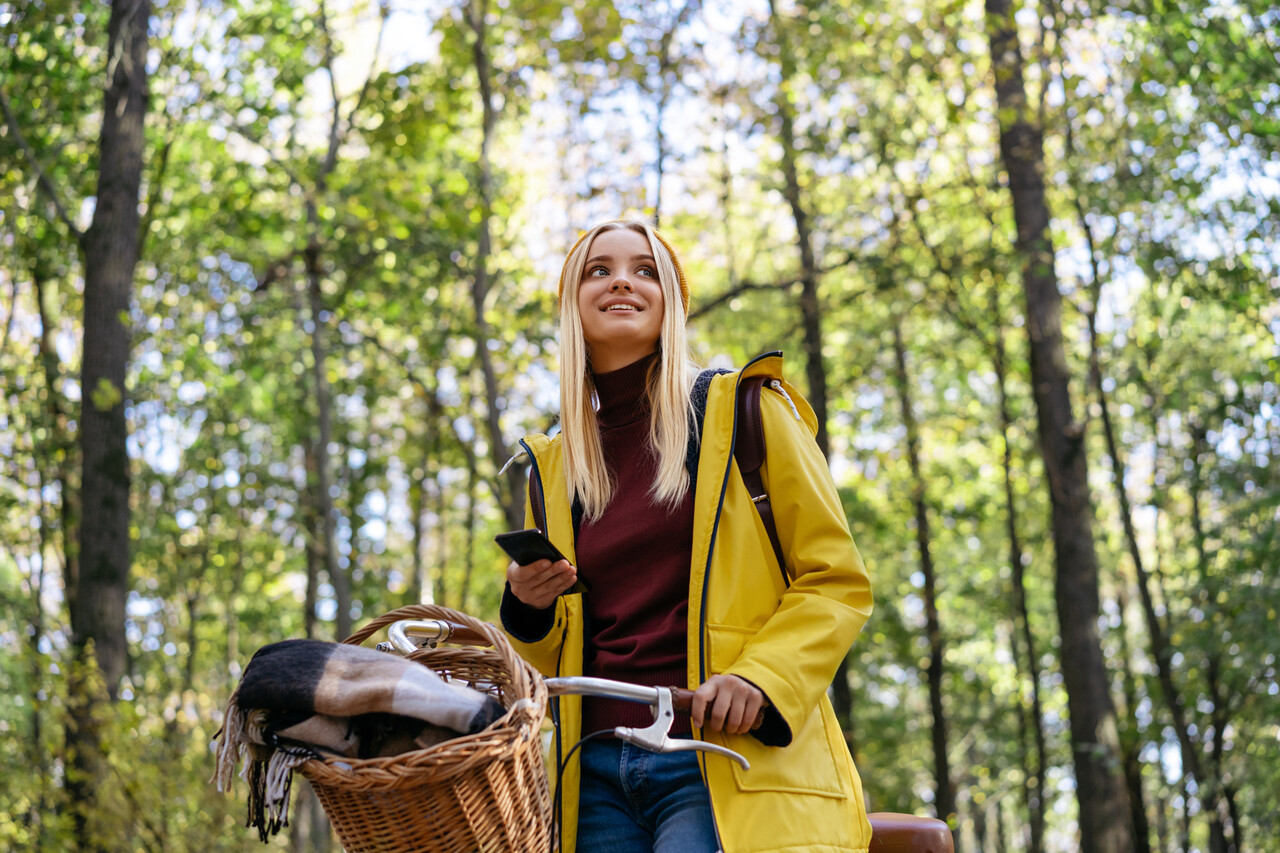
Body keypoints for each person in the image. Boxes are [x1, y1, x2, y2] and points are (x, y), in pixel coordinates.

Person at [500, 219, 874, 853]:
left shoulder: (749, 411)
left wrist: (760, 680)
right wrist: (528, 608)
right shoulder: (558, 464)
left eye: (646, 270)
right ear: (572, 306)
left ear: (671, 300)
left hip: (720, 758)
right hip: (591, 776)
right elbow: (559, 659)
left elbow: (836, 583)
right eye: (600, 270)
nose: (622, 279)